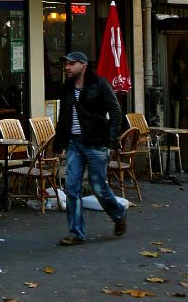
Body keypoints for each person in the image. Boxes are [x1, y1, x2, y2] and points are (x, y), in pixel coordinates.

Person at [53, 51, 127, 246]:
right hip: (74, 144)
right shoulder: (67, 88)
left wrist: (110, 140)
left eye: (71, 64)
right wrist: (59, 142)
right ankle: (76, 233)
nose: (67, 67)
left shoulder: (99, 84)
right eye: (66, 64)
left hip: (96, 143)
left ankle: (119, 214)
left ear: (83, 65)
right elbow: (63, 116)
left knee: (98, 188)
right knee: (72, 188)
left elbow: (116, 112)